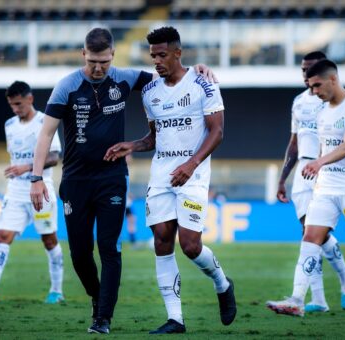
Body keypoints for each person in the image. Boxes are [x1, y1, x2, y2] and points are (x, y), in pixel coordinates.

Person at [30, 28, 216, 334]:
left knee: (109, 248)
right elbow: (46, 134)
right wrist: (36, 178)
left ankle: (102, 317)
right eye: (92, 61)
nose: (98, 67)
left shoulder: (126, 78)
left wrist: (198, 70)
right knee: (79, 254)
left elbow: (172, 74)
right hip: (75, 181)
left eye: (103, 61)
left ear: (113, 55)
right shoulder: (66, 87)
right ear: (83, 55)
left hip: (112, 179)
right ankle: (96, 296)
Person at [104, 26, 236, 334]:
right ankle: (175, 319)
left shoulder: (204, 84)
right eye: (153, 56)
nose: (157, 61)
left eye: (162, 55)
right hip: (162, 174)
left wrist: (191, 164)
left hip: (194, 173)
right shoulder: (150, 91)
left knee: (190, 245)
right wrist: (132, 145)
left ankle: (221, 282)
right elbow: (155, 136)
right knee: (162, 241)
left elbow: (217, 132)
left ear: (178, 52)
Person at [267, 60, 345, 317]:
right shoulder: (320, 111)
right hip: (325, 186)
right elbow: (320, 147)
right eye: (310, 86)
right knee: (309, 238)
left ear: (333, 79)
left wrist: (318, 163)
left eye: (317, 85)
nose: (314, 91)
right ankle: (297, 299)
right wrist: (316, 169)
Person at [0, 81, 64, 305]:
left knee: (49, 240)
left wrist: (27, 167)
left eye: (18, 104)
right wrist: (19, 170)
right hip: (16, 191)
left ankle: (57, 291)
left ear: (30, 99)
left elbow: (54, 157)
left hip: (41, 189)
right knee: (2, 237)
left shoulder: (44, 122)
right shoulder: (9, 124)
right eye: (12, 105)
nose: (15, 109)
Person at [275, 51, 345, 313]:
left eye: (310, 70)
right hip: (302, 170)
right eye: (302, 70)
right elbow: (294, 143)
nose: (305, 75)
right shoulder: (298, 102)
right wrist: (282, 178)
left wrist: (325, 164)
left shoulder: (334, 102)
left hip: (326, 169)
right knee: (307, 233)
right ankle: (319, 299)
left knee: (315, 234)